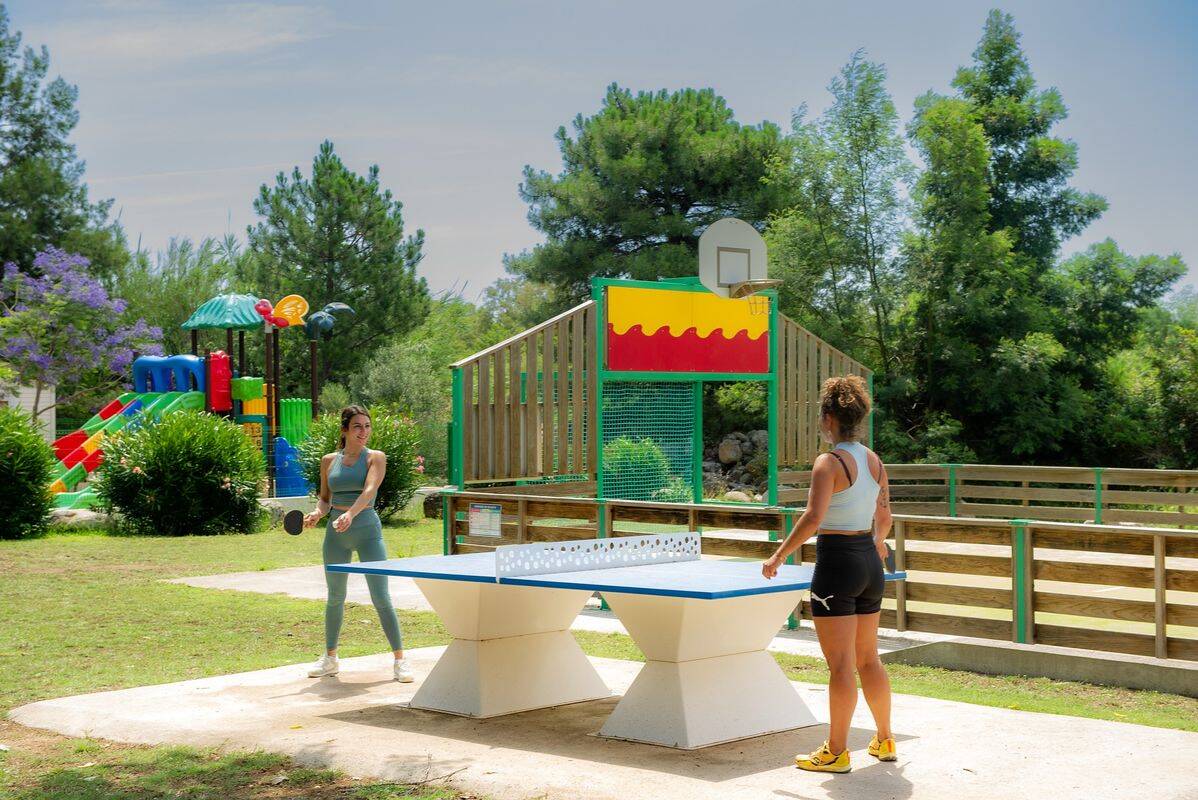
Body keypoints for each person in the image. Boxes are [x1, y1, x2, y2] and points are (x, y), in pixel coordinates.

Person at [762, 376, 895, 773]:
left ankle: (836, 751)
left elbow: (813, 518)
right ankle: (884, 738)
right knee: (869, 659)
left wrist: (778, 555)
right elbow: (884, 518)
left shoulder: (828, 462)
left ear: (828, 417)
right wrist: (878, 543)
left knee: (840, 665)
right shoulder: (874, 461)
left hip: (837, 565)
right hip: (871, 564)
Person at [303, 405, 414, 683]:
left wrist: (350, 514)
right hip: (336, 533)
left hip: (365, 528)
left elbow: (369, 490)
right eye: (357, 426)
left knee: (381, 597)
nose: (363, 432)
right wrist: (318, 513)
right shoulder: (329, 460)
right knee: (335, 598)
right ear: (344, 430)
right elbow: (325, 498)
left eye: (367, 426)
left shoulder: (375, 457)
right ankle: (330, 658)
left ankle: (400, 661)